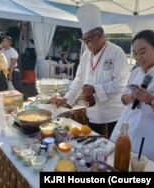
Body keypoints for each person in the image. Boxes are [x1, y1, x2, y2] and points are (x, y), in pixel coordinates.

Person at [51, 4, 130, 138]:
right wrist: (66, 99)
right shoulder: (86, 55)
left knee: (114, 147)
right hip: (93, 110)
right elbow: (79, 80)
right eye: (84, 41)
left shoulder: (116, 52)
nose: (87, 45)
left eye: (88, 40)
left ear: (99, 35)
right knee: (94, 142)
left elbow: (121, 83)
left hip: (113, 111)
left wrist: (96, 89)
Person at [110, 30, 154, 163]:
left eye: (142, 52)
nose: (138, 58)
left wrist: (151, 100)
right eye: (135, 53)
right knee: (116, 163)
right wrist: (131, 96)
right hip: (124, 128)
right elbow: (123, 95)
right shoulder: (136, 72)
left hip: (146, 138)